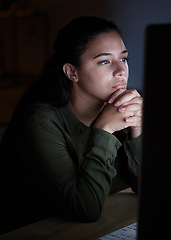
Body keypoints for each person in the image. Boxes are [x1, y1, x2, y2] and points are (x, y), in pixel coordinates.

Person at [0, 16, 143, 234]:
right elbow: (85, 209)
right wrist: (103, 130)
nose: (121, 71)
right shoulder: (40, 121)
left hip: (107, 224)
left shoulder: (121, 106)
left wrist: (137, 130)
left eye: (123, 59)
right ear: (71, 72)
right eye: (105, 61)